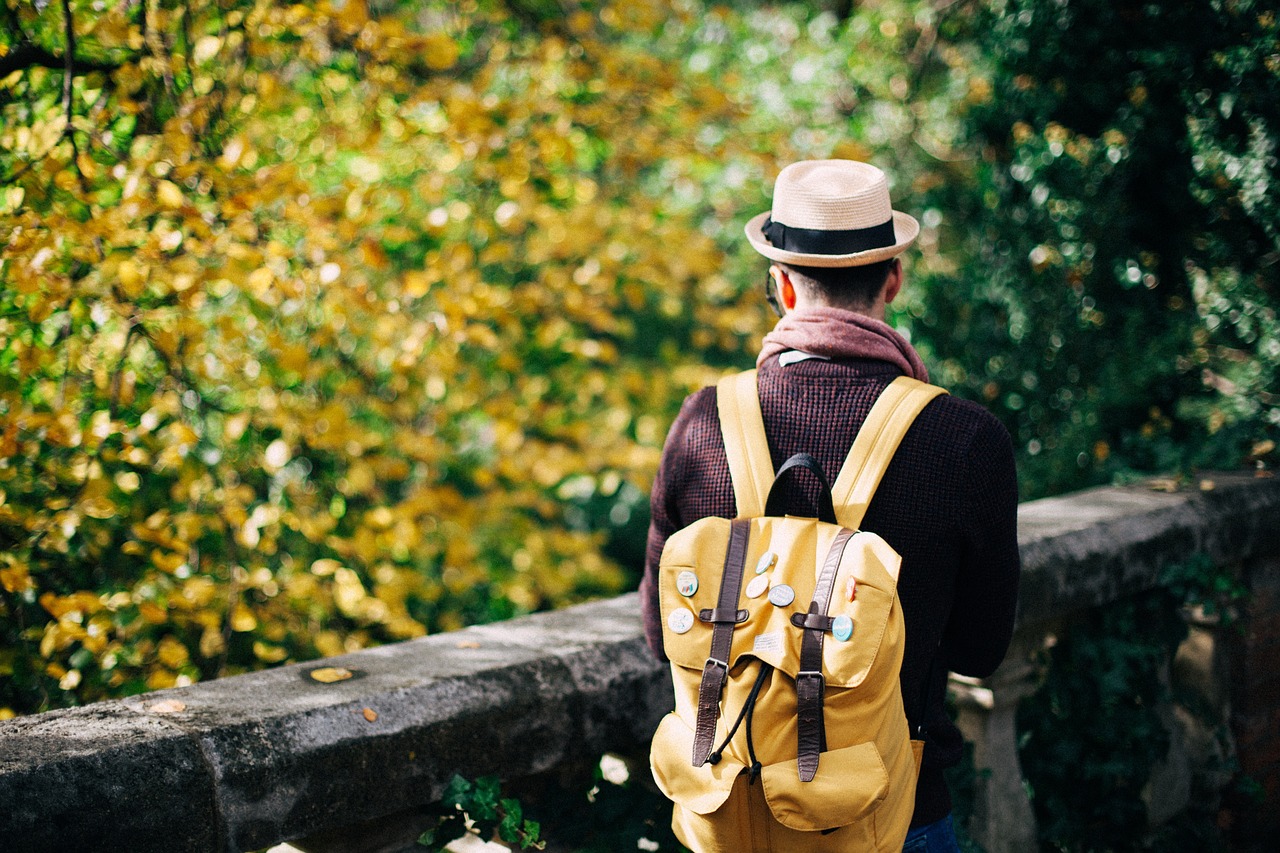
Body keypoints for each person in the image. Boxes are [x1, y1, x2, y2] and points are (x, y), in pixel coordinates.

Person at [639, 159, 1021, 851]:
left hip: (733, 820)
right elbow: (979, 651)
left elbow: (657, 633)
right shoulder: (965, 439)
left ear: (781, 286)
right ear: (894, 279)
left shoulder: (703, 422)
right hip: (892, 815)